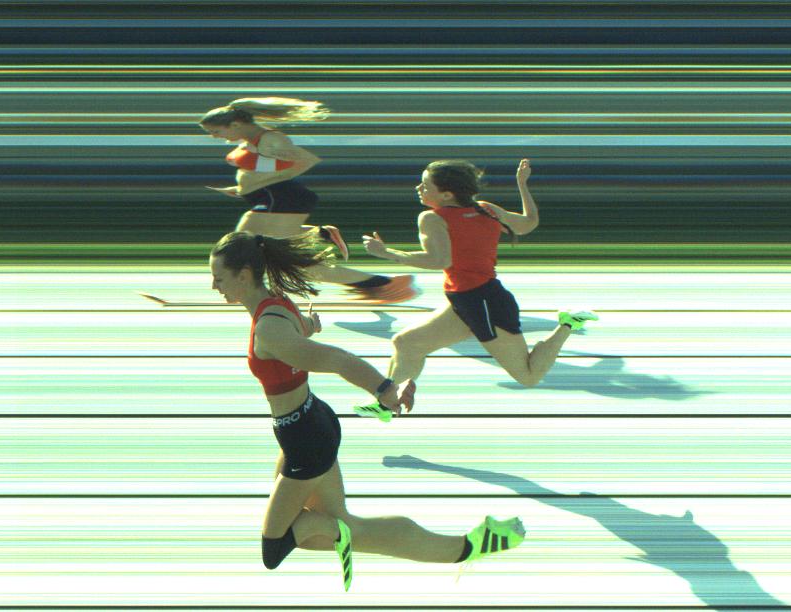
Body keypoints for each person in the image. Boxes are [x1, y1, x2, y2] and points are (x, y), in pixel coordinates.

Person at [209, 231, 525, 589]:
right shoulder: (278, 305)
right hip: (310, 425)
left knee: (276, 546)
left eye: (219, 278)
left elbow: (335, 359)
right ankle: (471, 545)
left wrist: (385, 389)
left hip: (305, 438)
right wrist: (310, 327)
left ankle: (348, 533)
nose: (214, 286)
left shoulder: (269, 329)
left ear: (244, 275)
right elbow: (298, 337)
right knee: (336, 527)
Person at [365, 159, 596, 398]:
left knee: (528, 375)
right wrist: (522, 184)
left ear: (446, 195)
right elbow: (528, 223)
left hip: (483, 304)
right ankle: (386, 403)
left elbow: (439, 260)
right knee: (406, 343)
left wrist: (387, 253)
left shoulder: (432, 218)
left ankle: (568, 323)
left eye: (425, 185)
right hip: (465, 300)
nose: (418, 188)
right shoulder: (486, 209)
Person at [199, 98, 416, 303]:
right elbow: (263, 170)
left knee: (248, 251)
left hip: (281, 200)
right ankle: (334, 246)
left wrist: (260, 184)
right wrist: (243, 189)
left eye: (216, 132)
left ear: (235, 125)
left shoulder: (271, 140)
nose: (214, 137)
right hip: (273, 199)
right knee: (246, 249)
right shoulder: (253, 140)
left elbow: (305, 160)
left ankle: (384, 285)